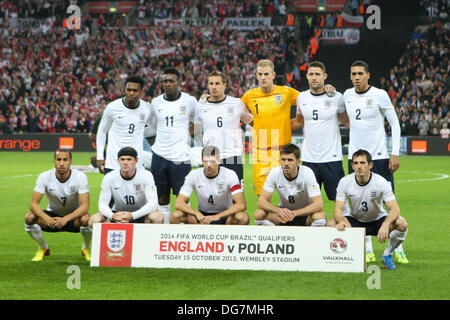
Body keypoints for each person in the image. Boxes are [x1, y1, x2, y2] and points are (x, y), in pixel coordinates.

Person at [241, 59, 335, 198]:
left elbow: (309, 99)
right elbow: (235, 110)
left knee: (292, 195)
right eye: (260, 74)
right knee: (262, 197)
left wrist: (326, 88)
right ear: (256, 75)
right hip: (261, 152)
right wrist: (253, 122)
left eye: (266, 74)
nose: (263, 78)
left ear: (273, 75)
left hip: (283, 151)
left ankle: (293, 219)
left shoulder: (286, 93)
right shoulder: (250, 95)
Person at [343, 60, 407, 264]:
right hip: (355, 158)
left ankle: (397, 248)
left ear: (368, 75)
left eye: (360, 73)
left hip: (379, 157)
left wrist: (394, 153)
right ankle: (367, 249)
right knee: (356, 204)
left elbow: (394, 123)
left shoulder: (380, 95)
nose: (356, 77)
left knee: (389, 203)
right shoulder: (347, 95)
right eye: (353, 74)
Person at [327, 149, 408, 270]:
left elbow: (395, 209)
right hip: (355, 221)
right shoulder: (345, 182)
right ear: (352, 166)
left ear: (370, 165)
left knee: (402, 224)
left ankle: (388, 253)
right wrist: (342, 221)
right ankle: (341, 257)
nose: (359, 166)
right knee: (330, 224)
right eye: (356, 163)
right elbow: (338, 209)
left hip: (377, 220)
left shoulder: (381, 182)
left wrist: (385, 224)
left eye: (362, 163)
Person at [295, 61, 349, 206]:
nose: (314, 77)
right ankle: (314, 226)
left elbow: (347, 122)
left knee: (339, 201)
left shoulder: (337, 97)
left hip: (331, 158)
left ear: (324, 76)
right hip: (308, 159)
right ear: (306, 76)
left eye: (317, 74)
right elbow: (299, 121)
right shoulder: (301, 98)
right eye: (311, 74)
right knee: (307, 202)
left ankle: (343, 225)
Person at [24, 149, 92, 261]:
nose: (61, 163)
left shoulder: (80, 176)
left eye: (65, 160)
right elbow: (33, 204)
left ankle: (86, 249)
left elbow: (85, 206)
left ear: (70, 161)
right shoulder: (44, 176)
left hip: (72, 218)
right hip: (52, 217)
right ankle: (43, 248)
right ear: (54, 161)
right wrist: (47, 218)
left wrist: (65, 219)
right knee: (29, 218)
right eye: (58, 159)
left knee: (86, 219)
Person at [150, 68, 198, 224]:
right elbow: (152, 123)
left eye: (171, 81)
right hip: (159, 155)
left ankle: (183, 232)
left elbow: (198, 122)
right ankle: (164, 232)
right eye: (165, 81)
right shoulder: (156, 102)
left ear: (179, 82)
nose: (168, 84)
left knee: (182, 197)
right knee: (161, 197)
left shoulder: (190, 101)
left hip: (181, 157)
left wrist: (187, 134)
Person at [194, 71, 253, 186]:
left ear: (224, 85)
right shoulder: (200, 106)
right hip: (210, 157)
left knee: (236, 198)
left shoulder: (236, 104)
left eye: (217, 83)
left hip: (233, 157)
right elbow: (195, 130)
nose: (214, 87)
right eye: (211, 84)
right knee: (212, 199)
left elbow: (251, 121)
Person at [170, 146, 249, 225]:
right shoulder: (193, 175)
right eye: (205, 161)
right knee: (175, 216)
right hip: (202, 216)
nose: (208, 165)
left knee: (242, 217)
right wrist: (196, 213)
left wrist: (217, 216)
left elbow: (241, 204)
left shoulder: (230, 174)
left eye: (212, 161)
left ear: (219, 161)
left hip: (225, 216)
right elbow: (179, 203)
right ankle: (186, 237)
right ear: (201, 161)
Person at [254, 143, 327, 227]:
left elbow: (319, 204)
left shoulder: (307, 173)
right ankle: (277, 237)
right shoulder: (274, 173)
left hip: (304, 213)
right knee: (259, 214)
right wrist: (278, 211)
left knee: (320, 217)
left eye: (290, 160)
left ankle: (309, 239)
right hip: (283, 215)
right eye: (283, 159)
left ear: (298, 162)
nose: (286, 163)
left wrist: (294, 213)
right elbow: (261, 201)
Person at [88, 147, 163, 225]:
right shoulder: (109, 177)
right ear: (118, 161)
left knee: (157, 217)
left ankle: (148, 237)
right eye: (122, 159)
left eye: (129, 159)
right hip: (118, 215)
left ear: (136, 160)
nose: (125, 162)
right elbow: (102, 204)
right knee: (94, 220)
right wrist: (112, 215)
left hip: (141, 214)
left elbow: (153, 203)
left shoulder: (146, 175)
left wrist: (133, 215)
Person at [96, 76, 153, 174]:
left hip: (137, 164)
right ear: (125, 90)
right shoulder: (112, 107)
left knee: (138, 189)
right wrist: (100, 156)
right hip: (114, 162)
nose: (131, 93)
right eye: (129, 90)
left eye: (135, 90)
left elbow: (155, 128)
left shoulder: (147, 108)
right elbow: (102, 131)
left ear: (141, 92)